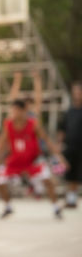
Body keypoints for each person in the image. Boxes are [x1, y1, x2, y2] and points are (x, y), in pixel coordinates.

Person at [0, 100, 68, 219]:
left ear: (24, 111)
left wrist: (60, 157)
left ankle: (56, 208)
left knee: (48, 181)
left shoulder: (33, 124)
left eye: (17, 110)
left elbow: (47, 141)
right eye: (13, 111)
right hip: (16, 160)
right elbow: (1, 144)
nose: (14, 113)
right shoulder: (8, 124)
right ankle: (8, 206)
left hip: (32, 160)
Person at [59, 80, 82, 208]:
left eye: (79, 92)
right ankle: (70, 198)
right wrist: (59, 145)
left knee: (78, 173)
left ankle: (72, 198)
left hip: (81, 147)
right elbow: (62, 129)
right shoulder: (69, 111)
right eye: (75, 92)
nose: (77, 94)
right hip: (70, 146)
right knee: (68, 172)